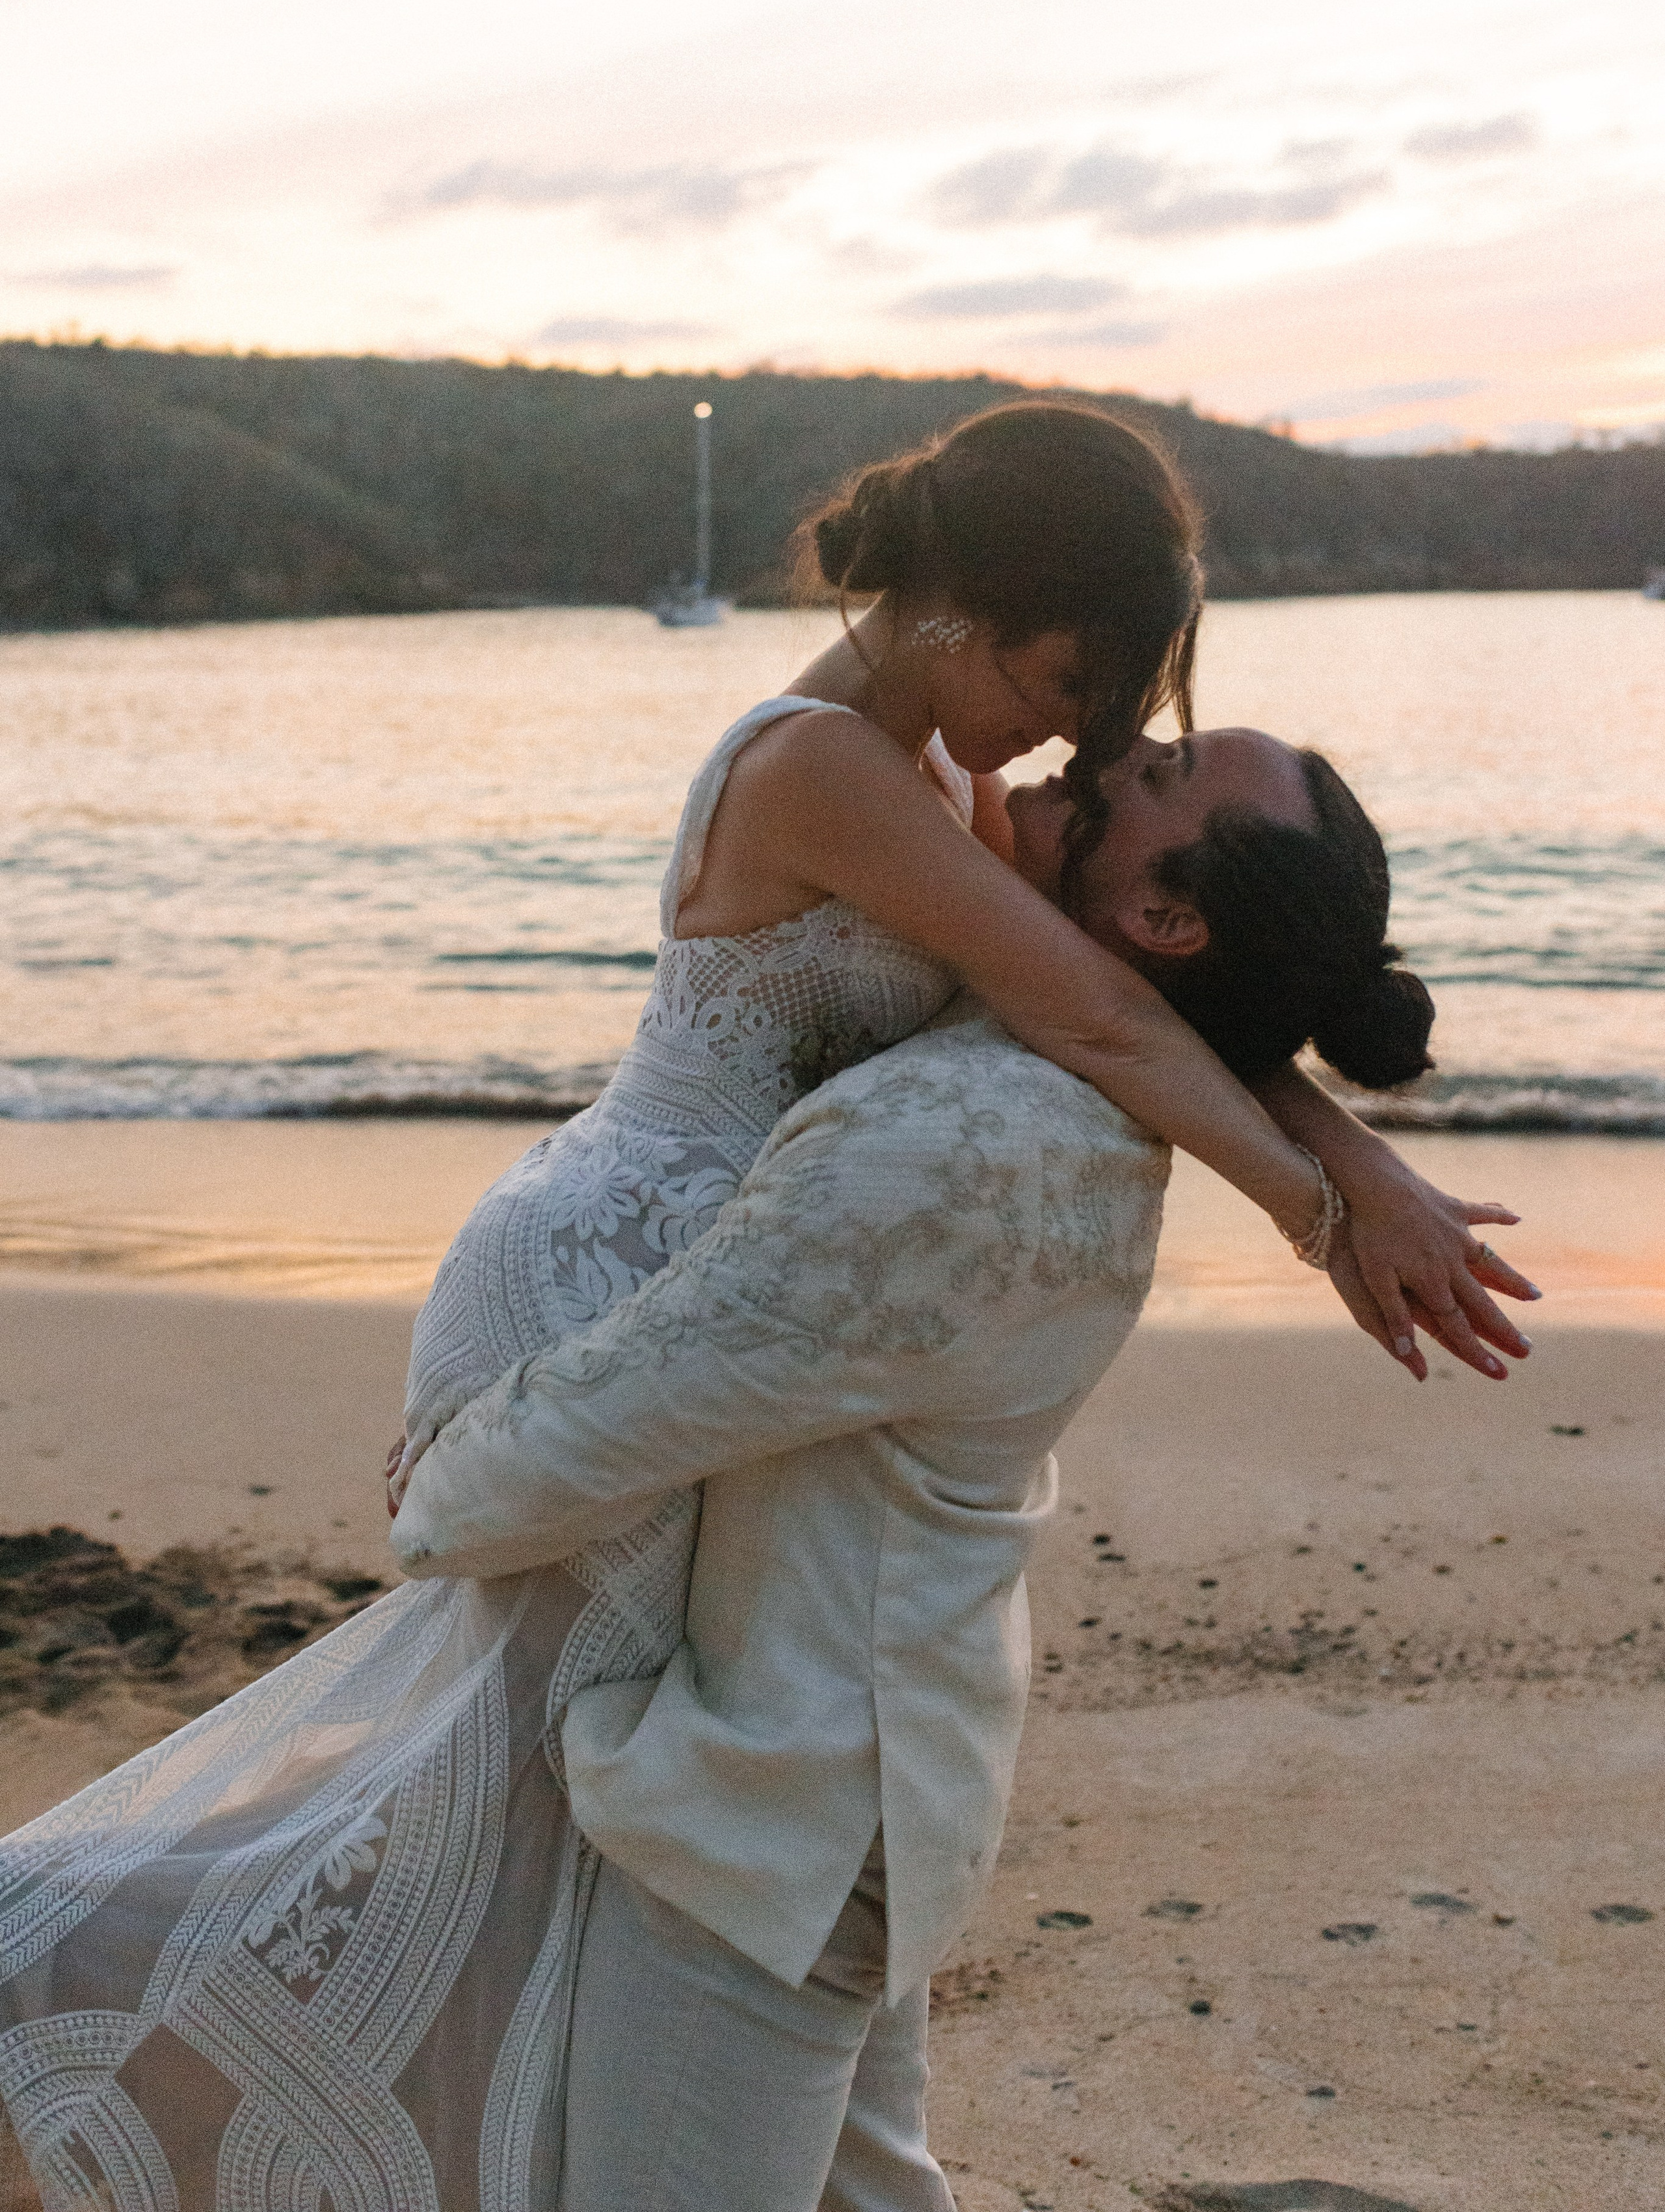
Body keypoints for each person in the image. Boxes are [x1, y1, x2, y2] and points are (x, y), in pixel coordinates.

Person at [0, 406, 1526, 2211]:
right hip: (594, 1273)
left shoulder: (948, 782)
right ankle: (117, 2017)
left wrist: (1354, 1153)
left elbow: (1120, 998)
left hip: (696, 1302)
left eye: (1124, 718)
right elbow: (1111, 1012)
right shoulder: (824, 769)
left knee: (523, 1812)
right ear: (966, 610)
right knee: (480, 1797)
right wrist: (1327, 1206)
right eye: (1070, 677)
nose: (1086, 737)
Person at [388, 724, 1537, 2211]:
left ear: (1163, 919)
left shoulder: (967, 1144)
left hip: (776, 1817)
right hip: (861, 1771)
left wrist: (432, 1493)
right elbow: (1126, 1009)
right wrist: (1342, 1168)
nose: (1119, 743)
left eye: (1167, 773)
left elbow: (629, 1408)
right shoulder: (1046, 1055)